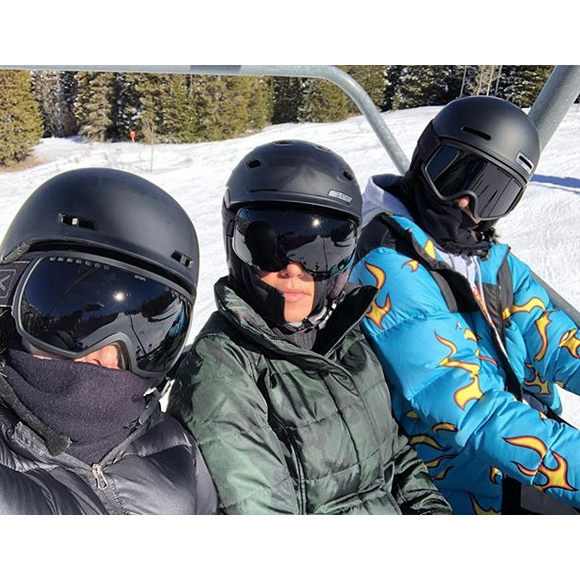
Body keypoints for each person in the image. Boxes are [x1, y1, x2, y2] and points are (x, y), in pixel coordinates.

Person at [168, 141, 452, 516]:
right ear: (236, 247)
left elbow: (396, 457)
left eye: (320, 251)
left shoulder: (344, 335)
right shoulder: (221, 371)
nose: (293, 270)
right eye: (268, 248)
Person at [352, 96, 580, 515]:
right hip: (464, 488)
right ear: (424, 157)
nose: (466, 204)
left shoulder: (487, 258)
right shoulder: (385, 265)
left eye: (493, 196)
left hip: (522, 464)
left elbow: (558, 340)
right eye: (454, 175)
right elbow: (471, 410)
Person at [0, 168, 217, 516]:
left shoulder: (177, 451)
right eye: (72, 324)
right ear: (8, 297)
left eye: (145, 338)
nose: (107, 357)